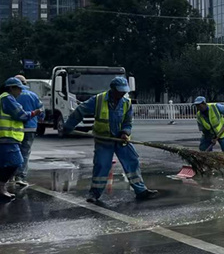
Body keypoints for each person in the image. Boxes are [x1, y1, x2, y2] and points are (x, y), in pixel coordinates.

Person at [63, 76, 158, 204]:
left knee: (132, 161)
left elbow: (128, 122)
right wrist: (68, 126)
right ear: (112, 89)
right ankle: (94, 193)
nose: (122, 93)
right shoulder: (98, 100)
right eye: (120, 91)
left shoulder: (126, 103)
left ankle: (141, 191)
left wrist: (125, 132)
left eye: (124, 91)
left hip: (120, 139)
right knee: (102, 165)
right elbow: (80, 111)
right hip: (104, 140)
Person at [0, 78, 42, 203]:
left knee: (1, 166)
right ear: (12, 88)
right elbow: (21, 115)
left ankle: (0, 189)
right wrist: (34, 113)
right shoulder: (7, 99)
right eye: (19, 89)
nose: (20, 92)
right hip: (7, 137)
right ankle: (0, 186)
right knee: (17, 162)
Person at [12, 75, 43, 187]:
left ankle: (10, 175)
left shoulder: (12, 96)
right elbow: (41, 110)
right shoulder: (33, 95)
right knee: (25, 152)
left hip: (15, 128)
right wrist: (40, 118)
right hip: (30, 127)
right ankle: (20, 176)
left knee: (14, 151)